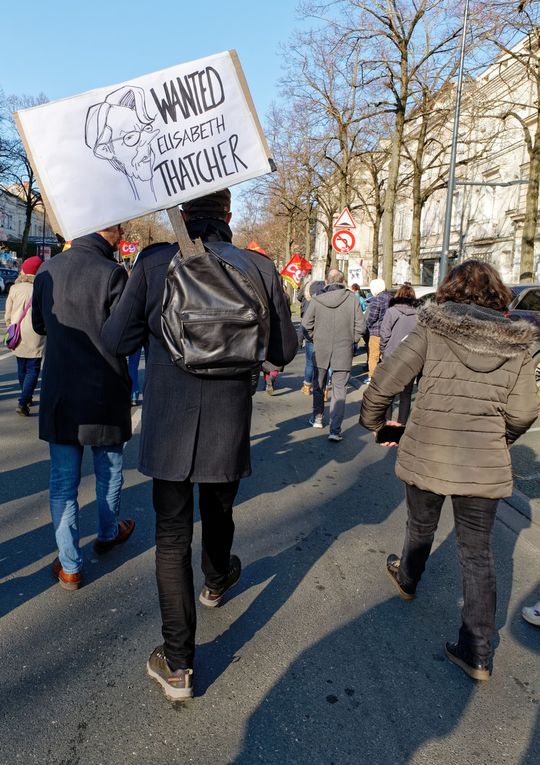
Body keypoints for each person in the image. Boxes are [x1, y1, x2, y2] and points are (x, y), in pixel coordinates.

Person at [101, 189, 297, 700]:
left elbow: (116, 340)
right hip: (228, 422)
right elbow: (283, 349)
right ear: (229, 216)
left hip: (169, 422)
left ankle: (179, 664)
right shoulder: (258, 266)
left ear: (183, 214)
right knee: (219, 507)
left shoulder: (154, 262)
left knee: (170, 539)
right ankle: (216, 578)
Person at [360, 260, 539, 681]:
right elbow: (525, 410)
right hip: (483, 461)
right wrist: (501, 439)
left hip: (429, 448)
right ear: (499, 295)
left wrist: (376, 423)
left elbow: (387, 378)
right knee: (478, 554)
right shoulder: (520, 343)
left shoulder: (432, 328)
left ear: (449, 290)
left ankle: (407, 579)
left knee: (420, 525)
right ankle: (477, 651)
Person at [32, 224, 136, 592]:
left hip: (61, 389)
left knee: (63, 482)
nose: (122, 234)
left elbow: (39, 324)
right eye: (119, 228)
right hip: (104, 389)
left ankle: (71, 565)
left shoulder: (47, 269)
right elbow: (124, 335)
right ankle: (108, 532)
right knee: (108, 469)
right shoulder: (112, 273)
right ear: (107, 232)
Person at [302, 269, 366, 442]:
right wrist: (352, 340)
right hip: (343, 350)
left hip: (321, 348)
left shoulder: (317, 300)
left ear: (326, 281)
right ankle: (335, 430)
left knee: (319, 385)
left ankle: (317, 417)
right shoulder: (352, 300)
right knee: (339, 390)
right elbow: (361, 326)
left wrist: (315, 338)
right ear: (343, 280)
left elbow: (305, 325)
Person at [4, 256, 45, 416]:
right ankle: (23, 400)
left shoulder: (15, 288)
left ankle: (25, 396)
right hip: (35, 332)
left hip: (18, 331)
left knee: (21, 367)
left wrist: (10, 326)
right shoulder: (40, 287)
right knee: (33, 368)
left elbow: (8, 313)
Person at [379, 284, 418, 423]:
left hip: (392, 357)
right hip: (411, 358)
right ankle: (401, 425)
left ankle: (387, 423)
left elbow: (384, 334)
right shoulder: (418, 315)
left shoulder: (391, 312)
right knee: (406, 394)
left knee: (389, 392)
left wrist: (383, 350)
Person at [298, 279, 326, 395]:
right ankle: (325, 389)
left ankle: (306, 386)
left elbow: (304, 324)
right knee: (326, 363)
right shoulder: (326, 301)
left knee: (310, 362)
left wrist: (300, 340)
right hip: (325, 335)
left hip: (311, 336)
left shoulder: (307, 302)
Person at [366, 277, 393, 381]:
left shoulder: (377, 299)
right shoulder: (391, 298)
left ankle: (371, 378)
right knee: (386, 356)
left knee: (373, 356)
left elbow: (372, 317)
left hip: (376, 332)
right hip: (389, 331)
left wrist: (368, 325)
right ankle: (386, 377)